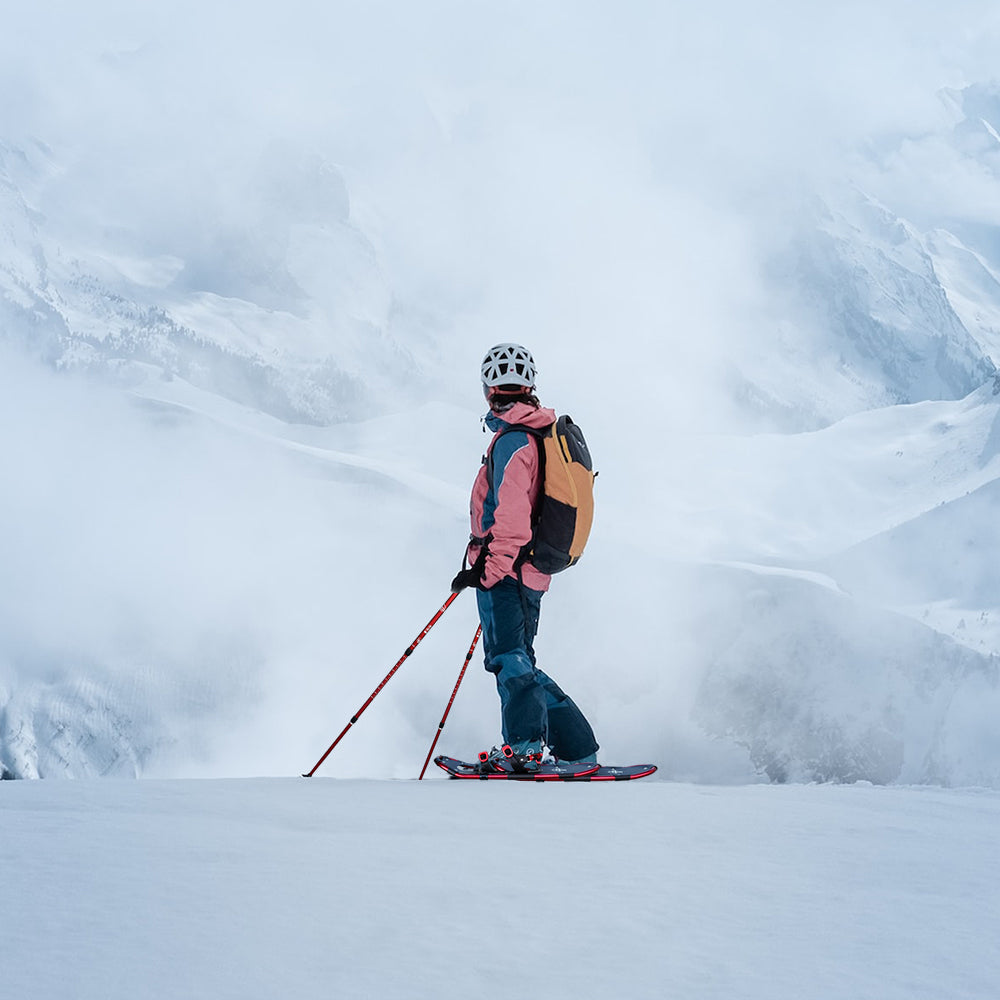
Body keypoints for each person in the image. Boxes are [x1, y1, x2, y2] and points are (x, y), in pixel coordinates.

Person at [450, 343, 599, 772]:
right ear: (529, 386)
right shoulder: (534, 432)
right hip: (527, 569)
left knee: (509, 661)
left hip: (509, 571)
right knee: (517, 661)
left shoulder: (514, 440)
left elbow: (511, 520)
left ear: (487, 391)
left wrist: (488, 572)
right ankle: (576, 749)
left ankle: (524, 749)